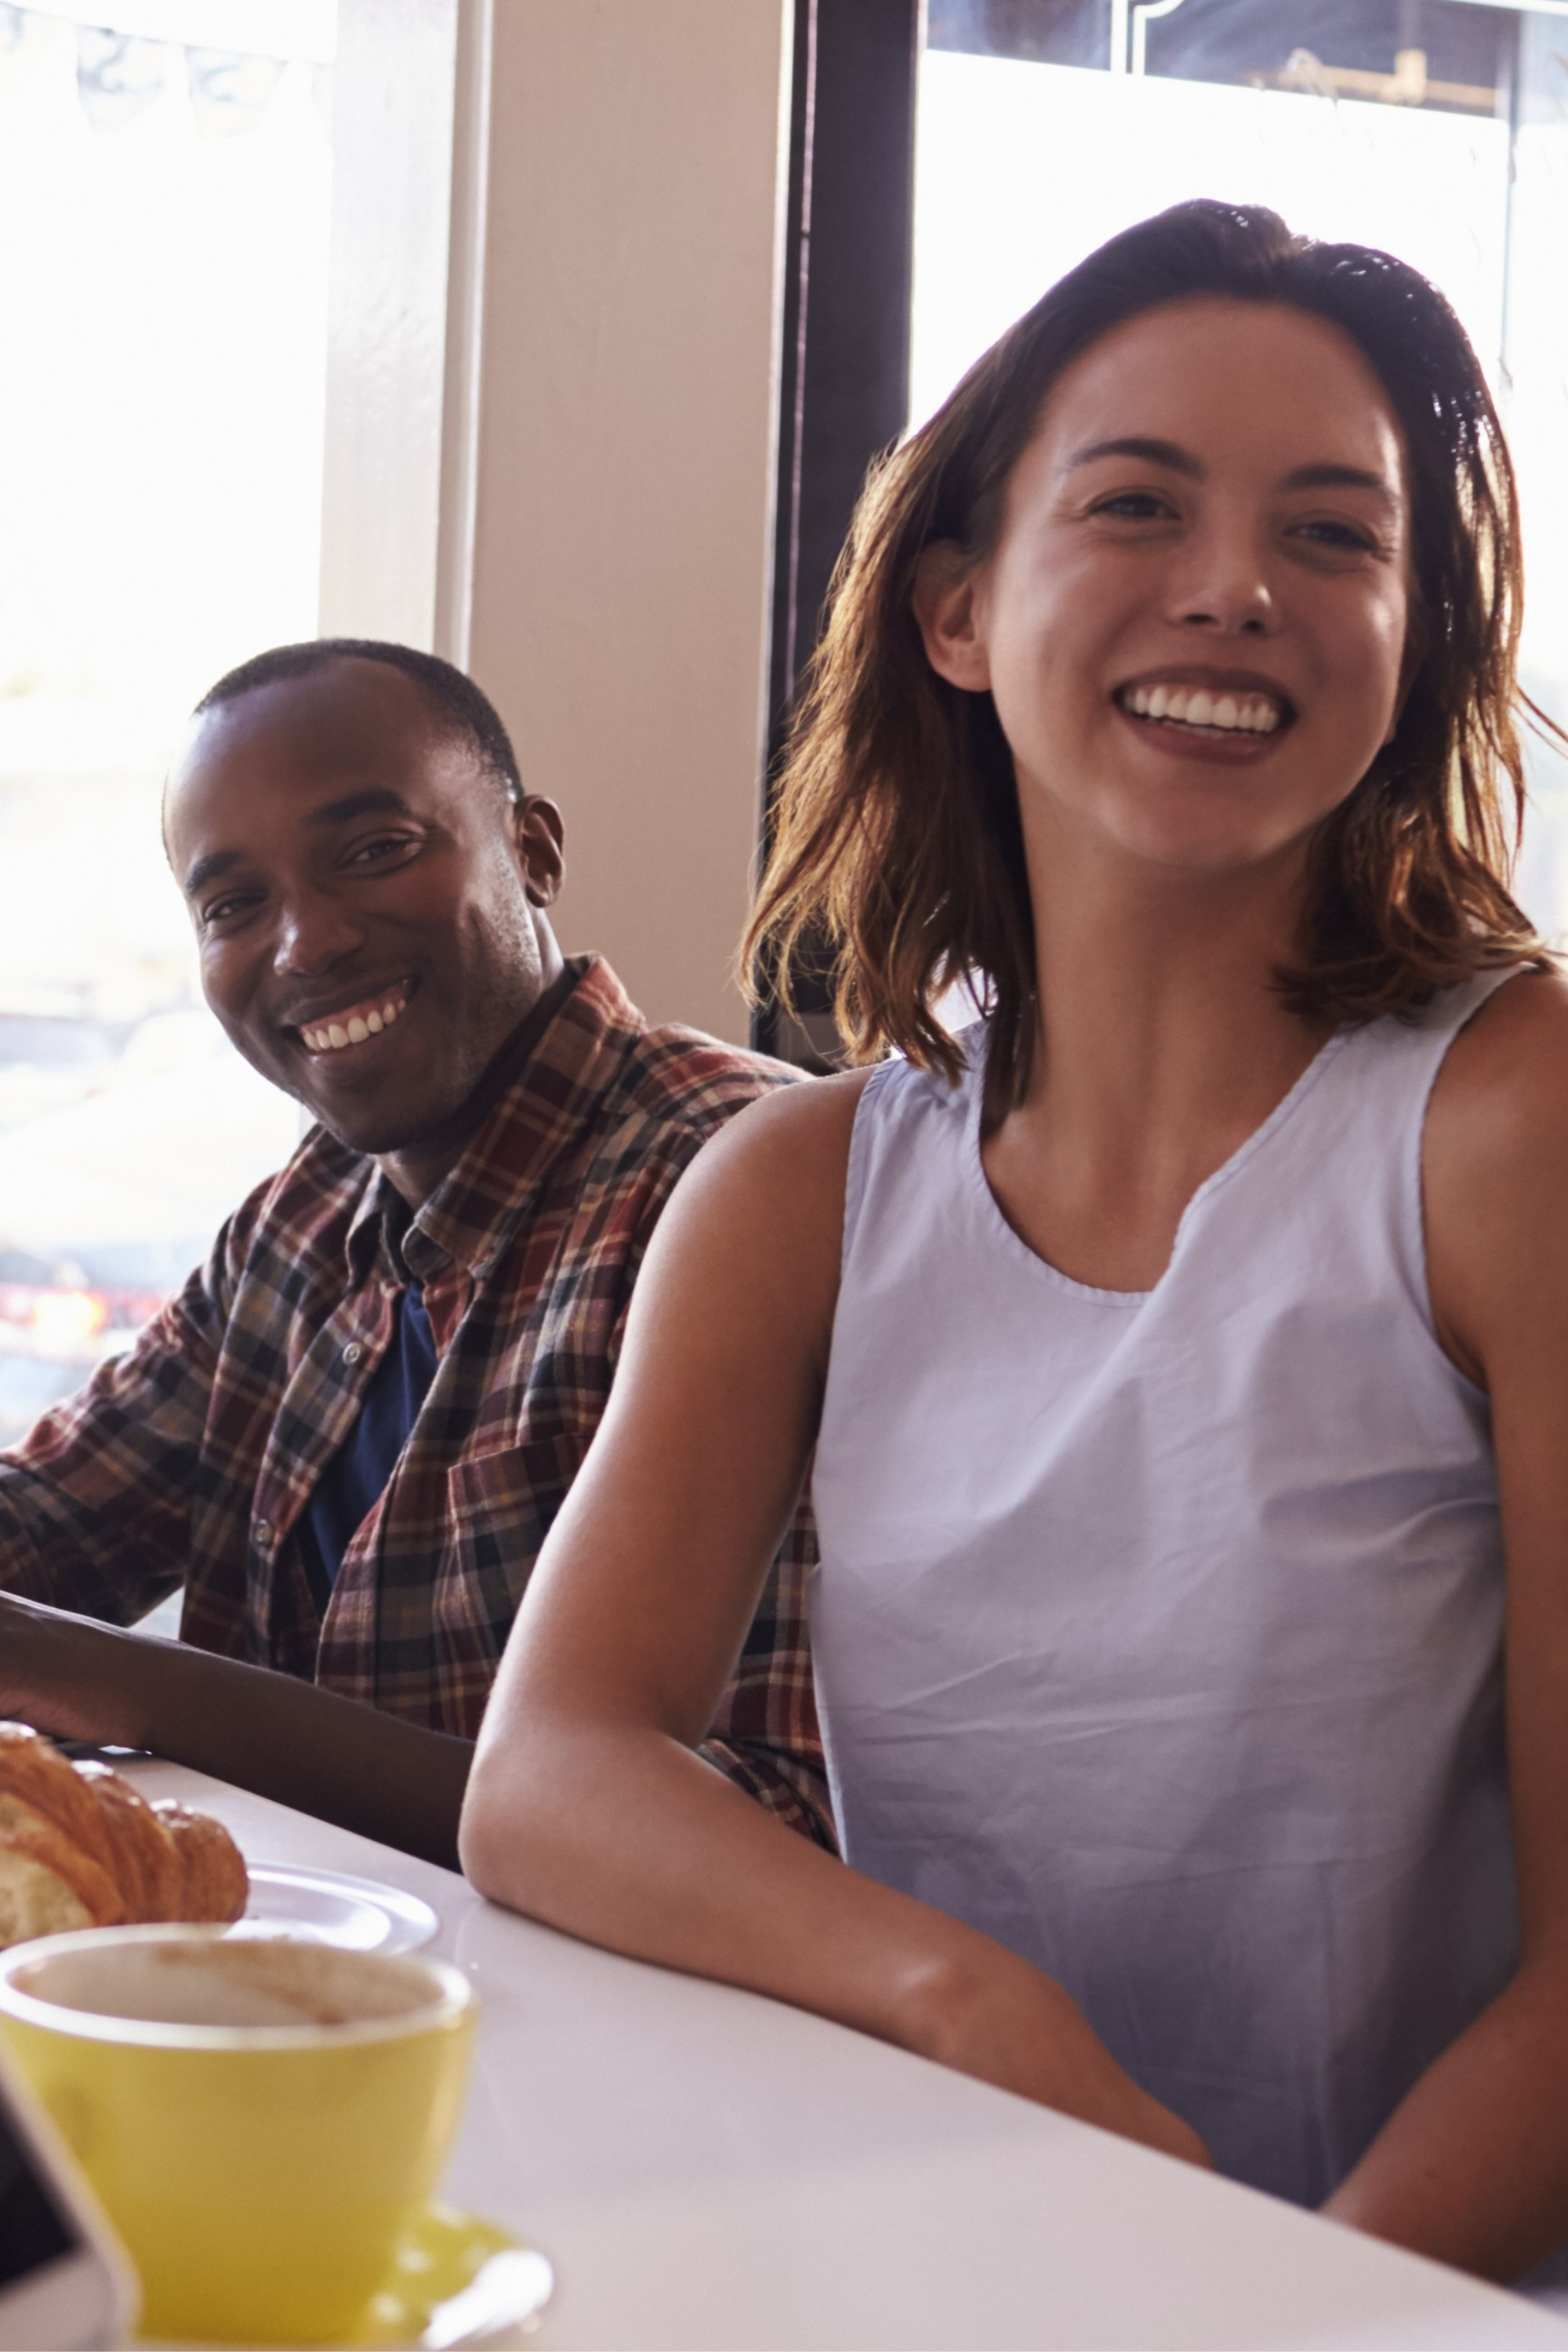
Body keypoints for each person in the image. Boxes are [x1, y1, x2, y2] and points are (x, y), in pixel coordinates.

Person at [459, 198, 1568, 2284]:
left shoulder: (1516, 1122)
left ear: (1415, 637)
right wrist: (963, 2003)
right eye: (1140, 505)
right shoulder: (802, 1190)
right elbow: (549, 1771)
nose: (1238, 588)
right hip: (959, 2261)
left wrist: (1278, 2314)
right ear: (959, 608)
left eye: (1335, 537)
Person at [0, 641, 828, 1867]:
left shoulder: (746, 1191)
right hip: (311, 1990)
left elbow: (772, 1827)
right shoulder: (303, 1218)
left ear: (534, 850)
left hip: (637, 2042)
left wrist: (132, 1686)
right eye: (234, 905)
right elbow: (45, 1534)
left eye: (373, 850)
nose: (305, 943)